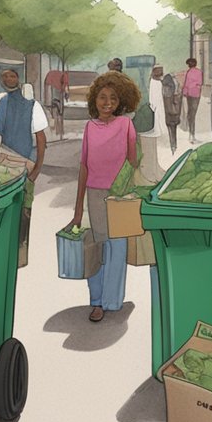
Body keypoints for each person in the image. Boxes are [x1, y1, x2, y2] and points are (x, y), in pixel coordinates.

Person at [69, 72, 139, 323]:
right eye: (102, 97)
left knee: (117, 248)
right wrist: (78, 210)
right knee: (98, 248)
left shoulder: (126, 125)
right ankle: (97, 301)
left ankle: (112, 301)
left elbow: (133, 160)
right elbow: (84, 167)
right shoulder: (90, 127)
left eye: (113, 98)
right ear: (94, 100)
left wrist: (123, 188)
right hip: (95, 194)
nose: (107, 102)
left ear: (121, 101)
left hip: (119, 196)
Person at [0, 68, 48, 268]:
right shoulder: (1, 103)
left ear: (19, 78)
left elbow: (41, 139)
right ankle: (6, 254)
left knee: (24, 210)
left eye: (12, 75)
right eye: (4, 76)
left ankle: (20, 256)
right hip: (5, 164)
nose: (8, 79)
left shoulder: (33, 106)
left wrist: (36, 170)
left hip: (26, 164)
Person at [182, 58, 204, 143]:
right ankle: (192, 134)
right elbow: (200, 83)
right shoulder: (199, 72)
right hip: (196, 94)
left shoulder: (189, 72)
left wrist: (184, 92)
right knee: (193, 114)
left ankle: (191, 134)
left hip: (190, 95)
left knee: (190, 114)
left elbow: (186, 84)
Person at [162, 67, 181, 153]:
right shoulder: (169, 92)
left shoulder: (166, 90)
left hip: (172, 115)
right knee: (172, 129)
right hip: (172, 115)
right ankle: (173, 146)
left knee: (172, 129)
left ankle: (173, 146)